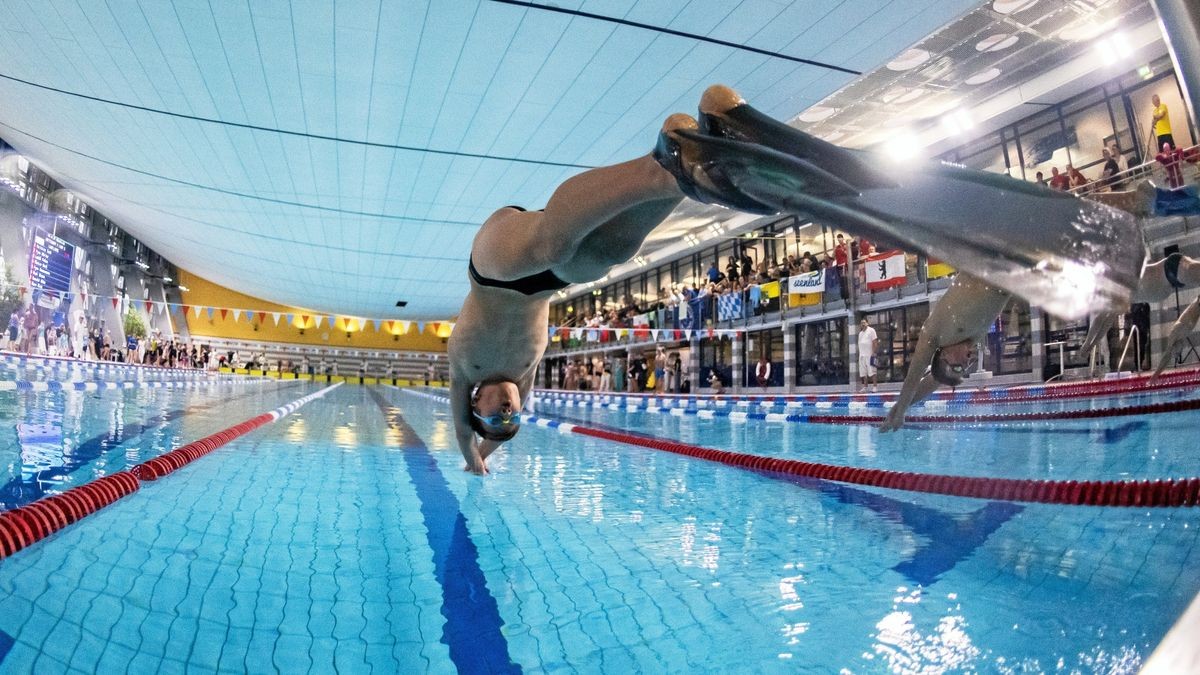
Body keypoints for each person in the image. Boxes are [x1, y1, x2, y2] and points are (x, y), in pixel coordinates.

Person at [881, 274, 1011, 431]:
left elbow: (913, 378)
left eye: (958, 368)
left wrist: (900, 411)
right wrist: (901, 407)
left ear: (944, 356)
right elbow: (938, 377)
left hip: (986, 262)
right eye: (965, 370)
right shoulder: (972, 339)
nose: (967, 364)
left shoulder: (933, 334)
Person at [856, 318, 879, 393]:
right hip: (862, 355)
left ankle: (875, 386)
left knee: (872, 371)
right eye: (861, 323)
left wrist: (874, 352)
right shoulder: (860, 333)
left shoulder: (871, 330)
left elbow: (875, 342)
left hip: (870, 354)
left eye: (864, 322)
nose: (863, 324)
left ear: (867, 323)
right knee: (863, 372)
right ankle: (865, 387)